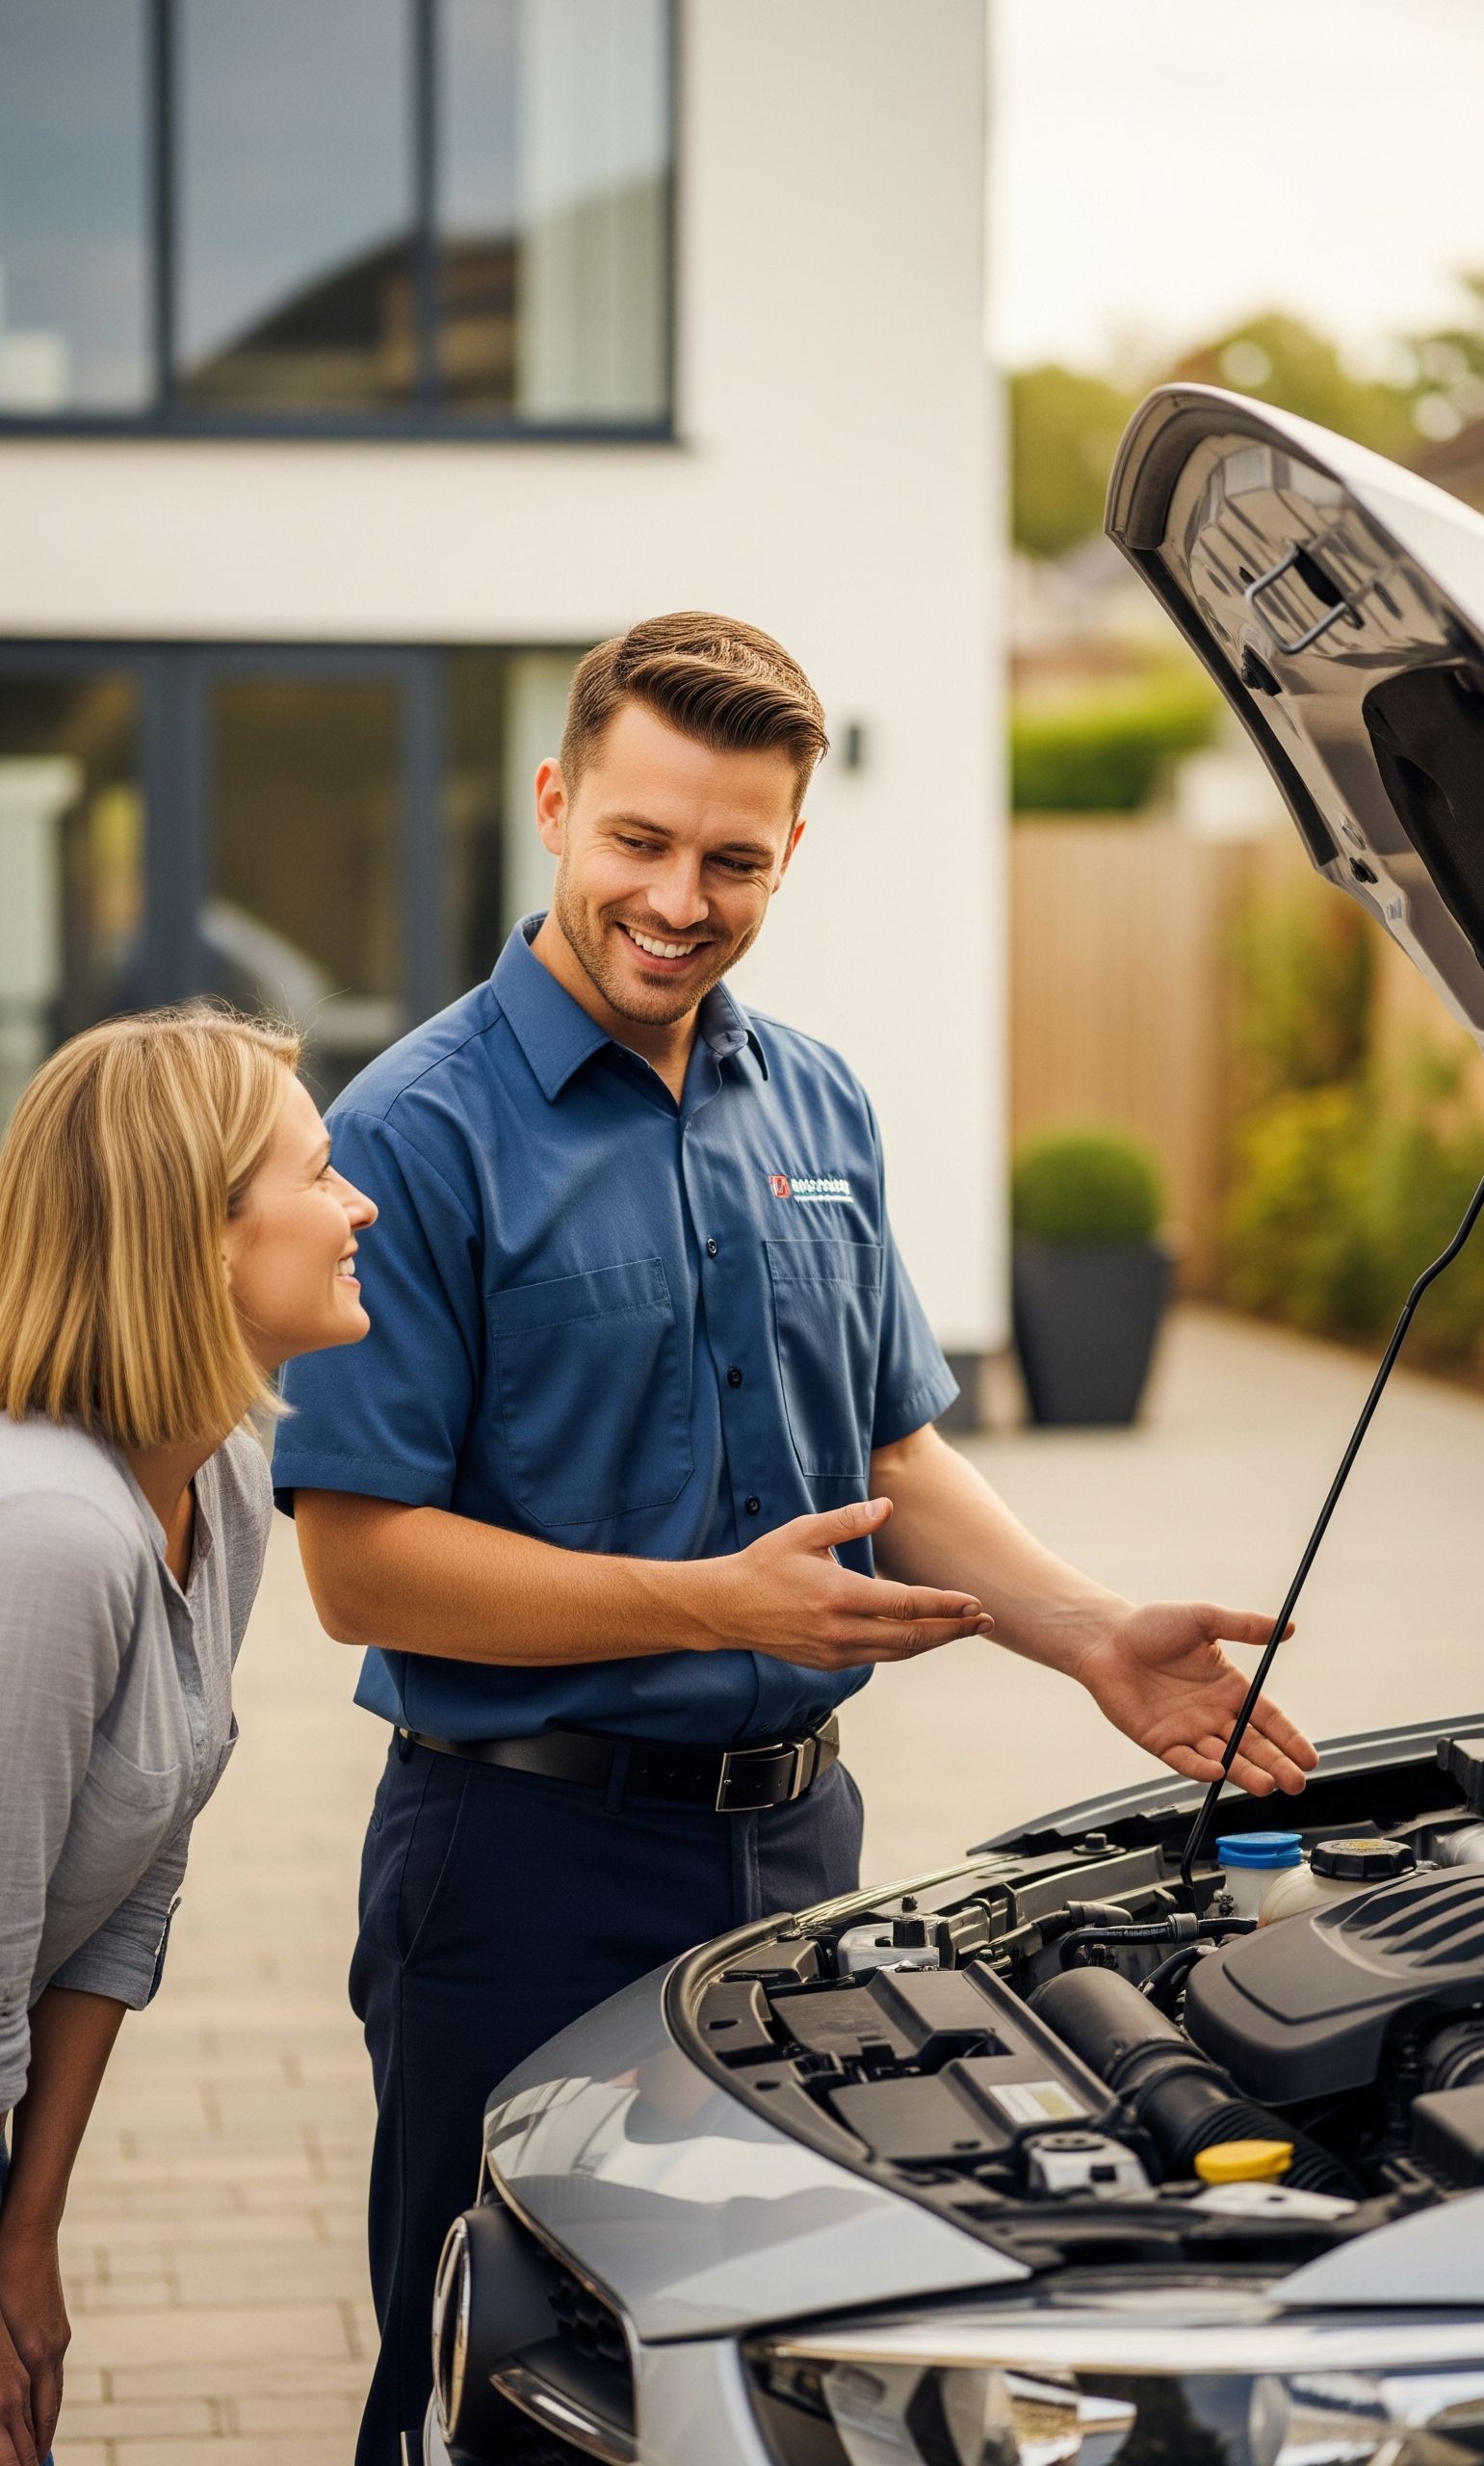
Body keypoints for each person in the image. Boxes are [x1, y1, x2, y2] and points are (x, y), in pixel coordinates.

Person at [274, 612, 1317, 2466]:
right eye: (641, 843)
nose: (681, 898)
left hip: (796, 1856)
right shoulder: (418, 1130)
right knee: (497, 2390)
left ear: (790, 853)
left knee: (760, 2386)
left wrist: (1081, 1630)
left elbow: (893, 1444)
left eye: (733, 859)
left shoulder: (817, 1098)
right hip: (514, 1865)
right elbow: (361, 1564)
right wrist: (706, 1599)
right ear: (555, 804)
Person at [0, 1007, 377, 2466]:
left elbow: (125, 1894)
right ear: (201, 1238)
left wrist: (30, 2233)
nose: (360, 1206)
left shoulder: (216, 1480)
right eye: (322, 1173)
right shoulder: (49, 1533)